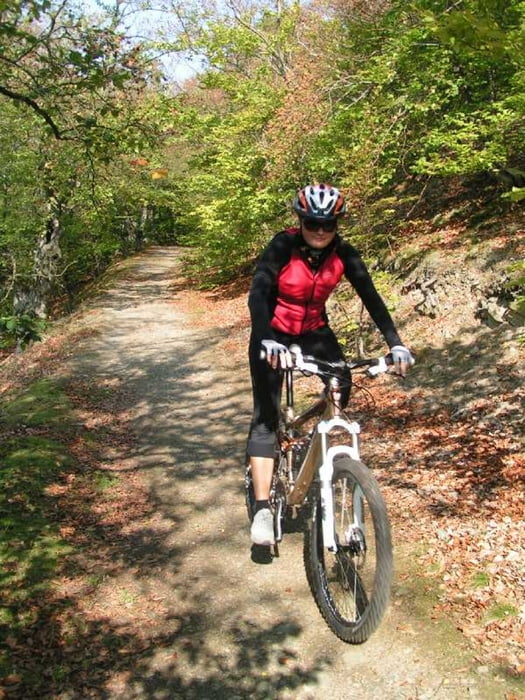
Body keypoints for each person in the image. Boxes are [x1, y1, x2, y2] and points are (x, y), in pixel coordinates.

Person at [247, 183, 414, 546]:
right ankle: (262, 507)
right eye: (312, 223)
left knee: (342, 382)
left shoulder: (345, 254)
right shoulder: (283, 246)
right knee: (266, 416)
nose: (320, 231)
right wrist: (266, 338)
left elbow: (371, 297)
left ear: (337, 224)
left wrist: (396, 343)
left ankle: (314, 450)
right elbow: (259, 291)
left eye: (328, 224)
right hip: (273, 329)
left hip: (313, 330)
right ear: (301, 220)